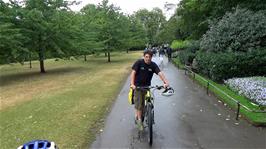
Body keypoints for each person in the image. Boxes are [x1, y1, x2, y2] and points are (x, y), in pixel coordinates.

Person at [130, 50, 169, 131]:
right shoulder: (139, 63)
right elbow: (133, 73)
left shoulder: (153, 65)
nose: (148, 58)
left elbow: (160, 73)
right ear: (144, 56)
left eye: (149, 57)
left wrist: (166, 82)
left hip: (147, 86)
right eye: (146, 57)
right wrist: (132, 84)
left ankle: (147, 112)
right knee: (139, 105)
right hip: (138, 87)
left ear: (151, 57)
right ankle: (139, 121)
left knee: (148, 101)